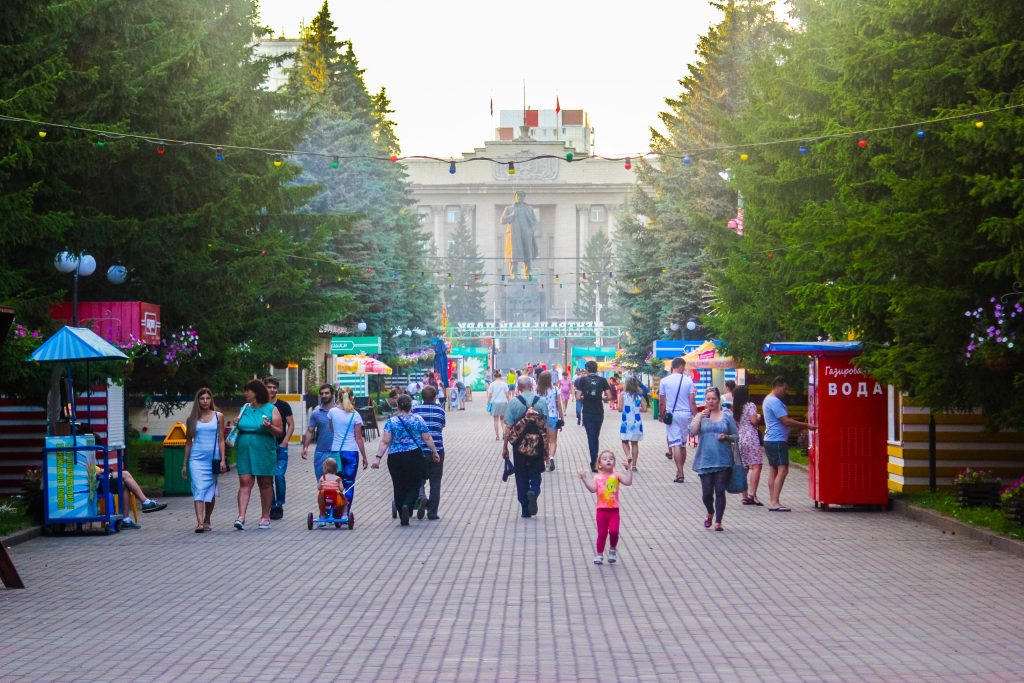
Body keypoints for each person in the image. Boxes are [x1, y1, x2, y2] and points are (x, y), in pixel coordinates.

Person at [371, 394, 440, 526]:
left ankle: (401, 505)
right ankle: (407, 507)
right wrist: (435, 452)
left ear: (398, 406)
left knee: (398, 484)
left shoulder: (392, 421)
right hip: (414, 455)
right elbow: (427, 437)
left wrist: (377, 459)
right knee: (414, 484)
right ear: (411, 405)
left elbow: (385, 441)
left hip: (395, 457)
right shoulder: (418, 419)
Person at [233, 379, 283, 531]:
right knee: (245, 481)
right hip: (244, 451)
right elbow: (240, 427)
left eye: (247, 390)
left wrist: (269, 427)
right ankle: (241, 517)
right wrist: (235, 422)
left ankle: (265, 517)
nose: (245, 393)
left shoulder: (271, 409)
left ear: (255, 392)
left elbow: (279, 431)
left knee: (265, 483)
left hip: (264, 451)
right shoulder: (244, 408)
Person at [762, 376, 817, 512]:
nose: (786, 392)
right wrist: (807, 425)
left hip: (771, 439)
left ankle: (773, 500)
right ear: (778, 386)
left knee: (774, 470)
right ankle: (774, 502)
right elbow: (785, 421)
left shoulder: (768, 399)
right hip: (777, 440)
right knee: (783, 469)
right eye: (785, 389)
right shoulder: (774, 401)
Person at [689, 387, 739, 531]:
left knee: (720, 491)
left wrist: (727, 437)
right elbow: (691, 432)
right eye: (708, 399)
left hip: (723, 460)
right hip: (705, 460)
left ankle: (718, 521)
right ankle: (710, 511)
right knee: (706, 494)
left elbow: (736, 436)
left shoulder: (727, 416)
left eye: (714, 399)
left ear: (719, 400)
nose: (711, 401)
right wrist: (698, 417)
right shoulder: (701, 416)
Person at [502, 376, 549, 518]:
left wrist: (505, 447)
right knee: (535, 472)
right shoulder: (541, 401)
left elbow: (508, 427)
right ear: (531, 386)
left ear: (519, 388)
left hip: (519, 446)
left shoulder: (513, 402)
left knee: (521, 474)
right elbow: (545, 426)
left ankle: (524, 507)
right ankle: (534, 491)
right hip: (537, 445)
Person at [182, 387, 226, 532]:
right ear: (198, 401)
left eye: (207, 398)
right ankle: (200, 523)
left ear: (211, 400)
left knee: (210, 491)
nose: (205, 401)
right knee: (199, 488)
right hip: (196, 459)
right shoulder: (191, 419)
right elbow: (188, 442)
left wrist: (223, 459)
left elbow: (221, 439)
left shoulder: (218, 416)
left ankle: (207, 519)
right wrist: (184, 464)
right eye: (202, 398)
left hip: (213, 459)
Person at [578, 449, 633, 564]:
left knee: (614, 531)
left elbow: (628, 482)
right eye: (605, 459)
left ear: (614, 462)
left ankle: (612, 549)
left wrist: (629, 470)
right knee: (602, 533)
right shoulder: (597, 477)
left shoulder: (617, 475)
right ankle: (599, 554)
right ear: (599, 464)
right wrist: (584, 479)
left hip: (614, 510)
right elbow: (593, 489)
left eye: (611, 459)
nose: (608, 460)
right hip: (601, 510)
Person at [327, 387, 368, 515]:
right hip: (351, 452)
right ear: (352, 398)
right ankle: (345, 513)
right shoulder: (355, 415)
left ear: (337, 397)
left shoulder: (332, 412)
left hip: (335, 452)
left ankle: (333, 511)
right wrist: (364, 457)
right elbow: (359, 438)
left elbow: (333, 430)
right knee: (349, 483)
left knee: (334, 483)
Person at [659, 357, 698, 483]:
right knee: (682, 444)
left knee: (675, 443)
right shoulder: (688, 381)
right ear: (680, 366)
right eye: (684, 367)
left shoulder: (664, 381)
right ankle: (680, 471)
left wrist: (661, 414)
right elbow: (692, 401)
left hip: (672, 415)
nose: (684, 369)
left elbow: (662, 401)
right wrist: (696, 416)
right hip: (686, 415)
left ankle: (680, 472)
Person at [412, 385, 446, 520]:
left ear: (422, 397)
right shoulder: (440, 411)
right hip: (437, 449)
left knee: (418, 478)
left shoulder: (415, 411)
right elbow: (441, 427)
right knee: (435, 481)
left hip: (418, 450)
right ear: (435, 397)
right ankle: (432, 513)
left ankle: (421, 497)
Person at [264, 377, 294, 521]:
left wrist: (286, 441)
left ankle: (279, 505)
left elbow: (291, 424)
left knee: (279, 475)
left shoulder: (283, 405)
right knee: (268, 478)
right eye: (269, 387)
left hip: (280, 446)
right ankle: (272, 505)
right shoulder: (260, 406)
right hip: (265, 447)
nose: (272, 390)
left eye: (274, 387)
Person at [98, 466, 166, 529]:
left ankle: (125, 520)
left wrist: (101, 470)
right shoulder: (87, 456)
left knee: (124, 484)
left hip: (99, 479)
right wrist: (101, 471)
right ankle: (145, 502)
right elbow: (93, 473)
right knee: (125, 474)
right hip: (97, 482)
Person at [575, 360, 611, 472]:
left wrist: (585, 397)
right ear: (596, 369)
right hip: (599, 412)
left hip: (587, 412)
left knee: (591, 438)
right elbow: (609, 396)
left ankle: (594, 462)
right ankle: (595, 461)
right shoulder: (602, 380)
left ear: (587, 369)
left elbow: (577, 397)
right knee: (596, 436)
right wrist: (601, 398)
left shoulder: (582, 380)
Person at [732, 385, 764, 506]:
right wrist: (759, 416)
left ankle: (744, 496)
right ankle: (752, 494)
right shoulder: (750, 405)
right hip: (750, 437)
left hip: (740, 437)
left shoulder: (735, 408)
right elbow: (754, 421)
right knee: (756, 465)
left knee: (743, 467)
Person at [499, 191, 539, 277]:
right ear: (515, 197)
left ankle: (528, 274)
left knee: (527, 254)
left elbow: (535, 221)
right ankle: (514, 275)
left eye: (521, 196)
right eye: (517, 196)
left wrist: (532, 230)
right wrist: (511, 215)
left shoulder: (529, 208)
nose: (519, 198)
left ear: (524, 197)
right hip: (515, 234)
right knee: (514, 255)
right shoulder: (509, 208)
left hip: (526, 233)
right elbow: (502, 220)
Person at [301, 383, 337, 480]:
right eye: (322, 393)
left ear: (332, 394)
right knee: (322, 483)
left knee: (337, 484)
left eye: (327, 393)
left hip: (337, 452)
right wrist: (305, 447)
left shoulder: (339, 411)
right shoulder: (316, 413)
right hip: (320, 453)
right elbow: (310, 430)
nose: (324, 395)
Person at [618, 375, 646, 471]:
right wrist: (637, 409)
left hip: (626, 422)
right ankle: (634, 466)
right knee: (635, 444)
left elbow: (620, 409)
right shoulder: (639, 395)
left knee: (624, 441)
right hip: (637, 422)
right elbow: (645, 409)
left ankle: (628, 455)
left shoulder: (622, 395)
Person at [536, 370, 563, 472]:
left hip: (540, 418)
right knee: (553, 441)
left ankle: (545, 461)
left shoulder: (536, 391)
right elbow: (559, 405)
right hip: (552, 417)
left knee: (543, 440)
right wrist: (562, 418)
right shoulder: (555, 389)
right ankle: (551, 457)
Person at [315, 457, 347, 527]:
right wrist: (341, 489)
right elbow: (341, 489)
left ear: (325, 468)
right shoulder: (338, 479)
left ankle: (322, 518)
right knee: (345, 503)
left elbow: (319, 488)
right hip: (336, 499)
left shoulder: (322, 478)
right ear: (336, 469)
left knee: (322, 506)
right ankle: (344, 515)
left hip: (324, 499)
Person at [487, 371, 510, 440]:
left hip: (495, 403)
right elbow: (507, 394)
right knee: (503, 420)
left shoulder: (492, 384)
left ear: (494, 377)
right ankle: (504, 432)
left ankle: (497, 436)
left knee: (495, 420)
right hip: (504, 402)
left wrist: (488, 402)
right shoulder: (504, 384)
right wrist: (509, 402)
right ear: (501, 377)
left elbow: (490, 395)